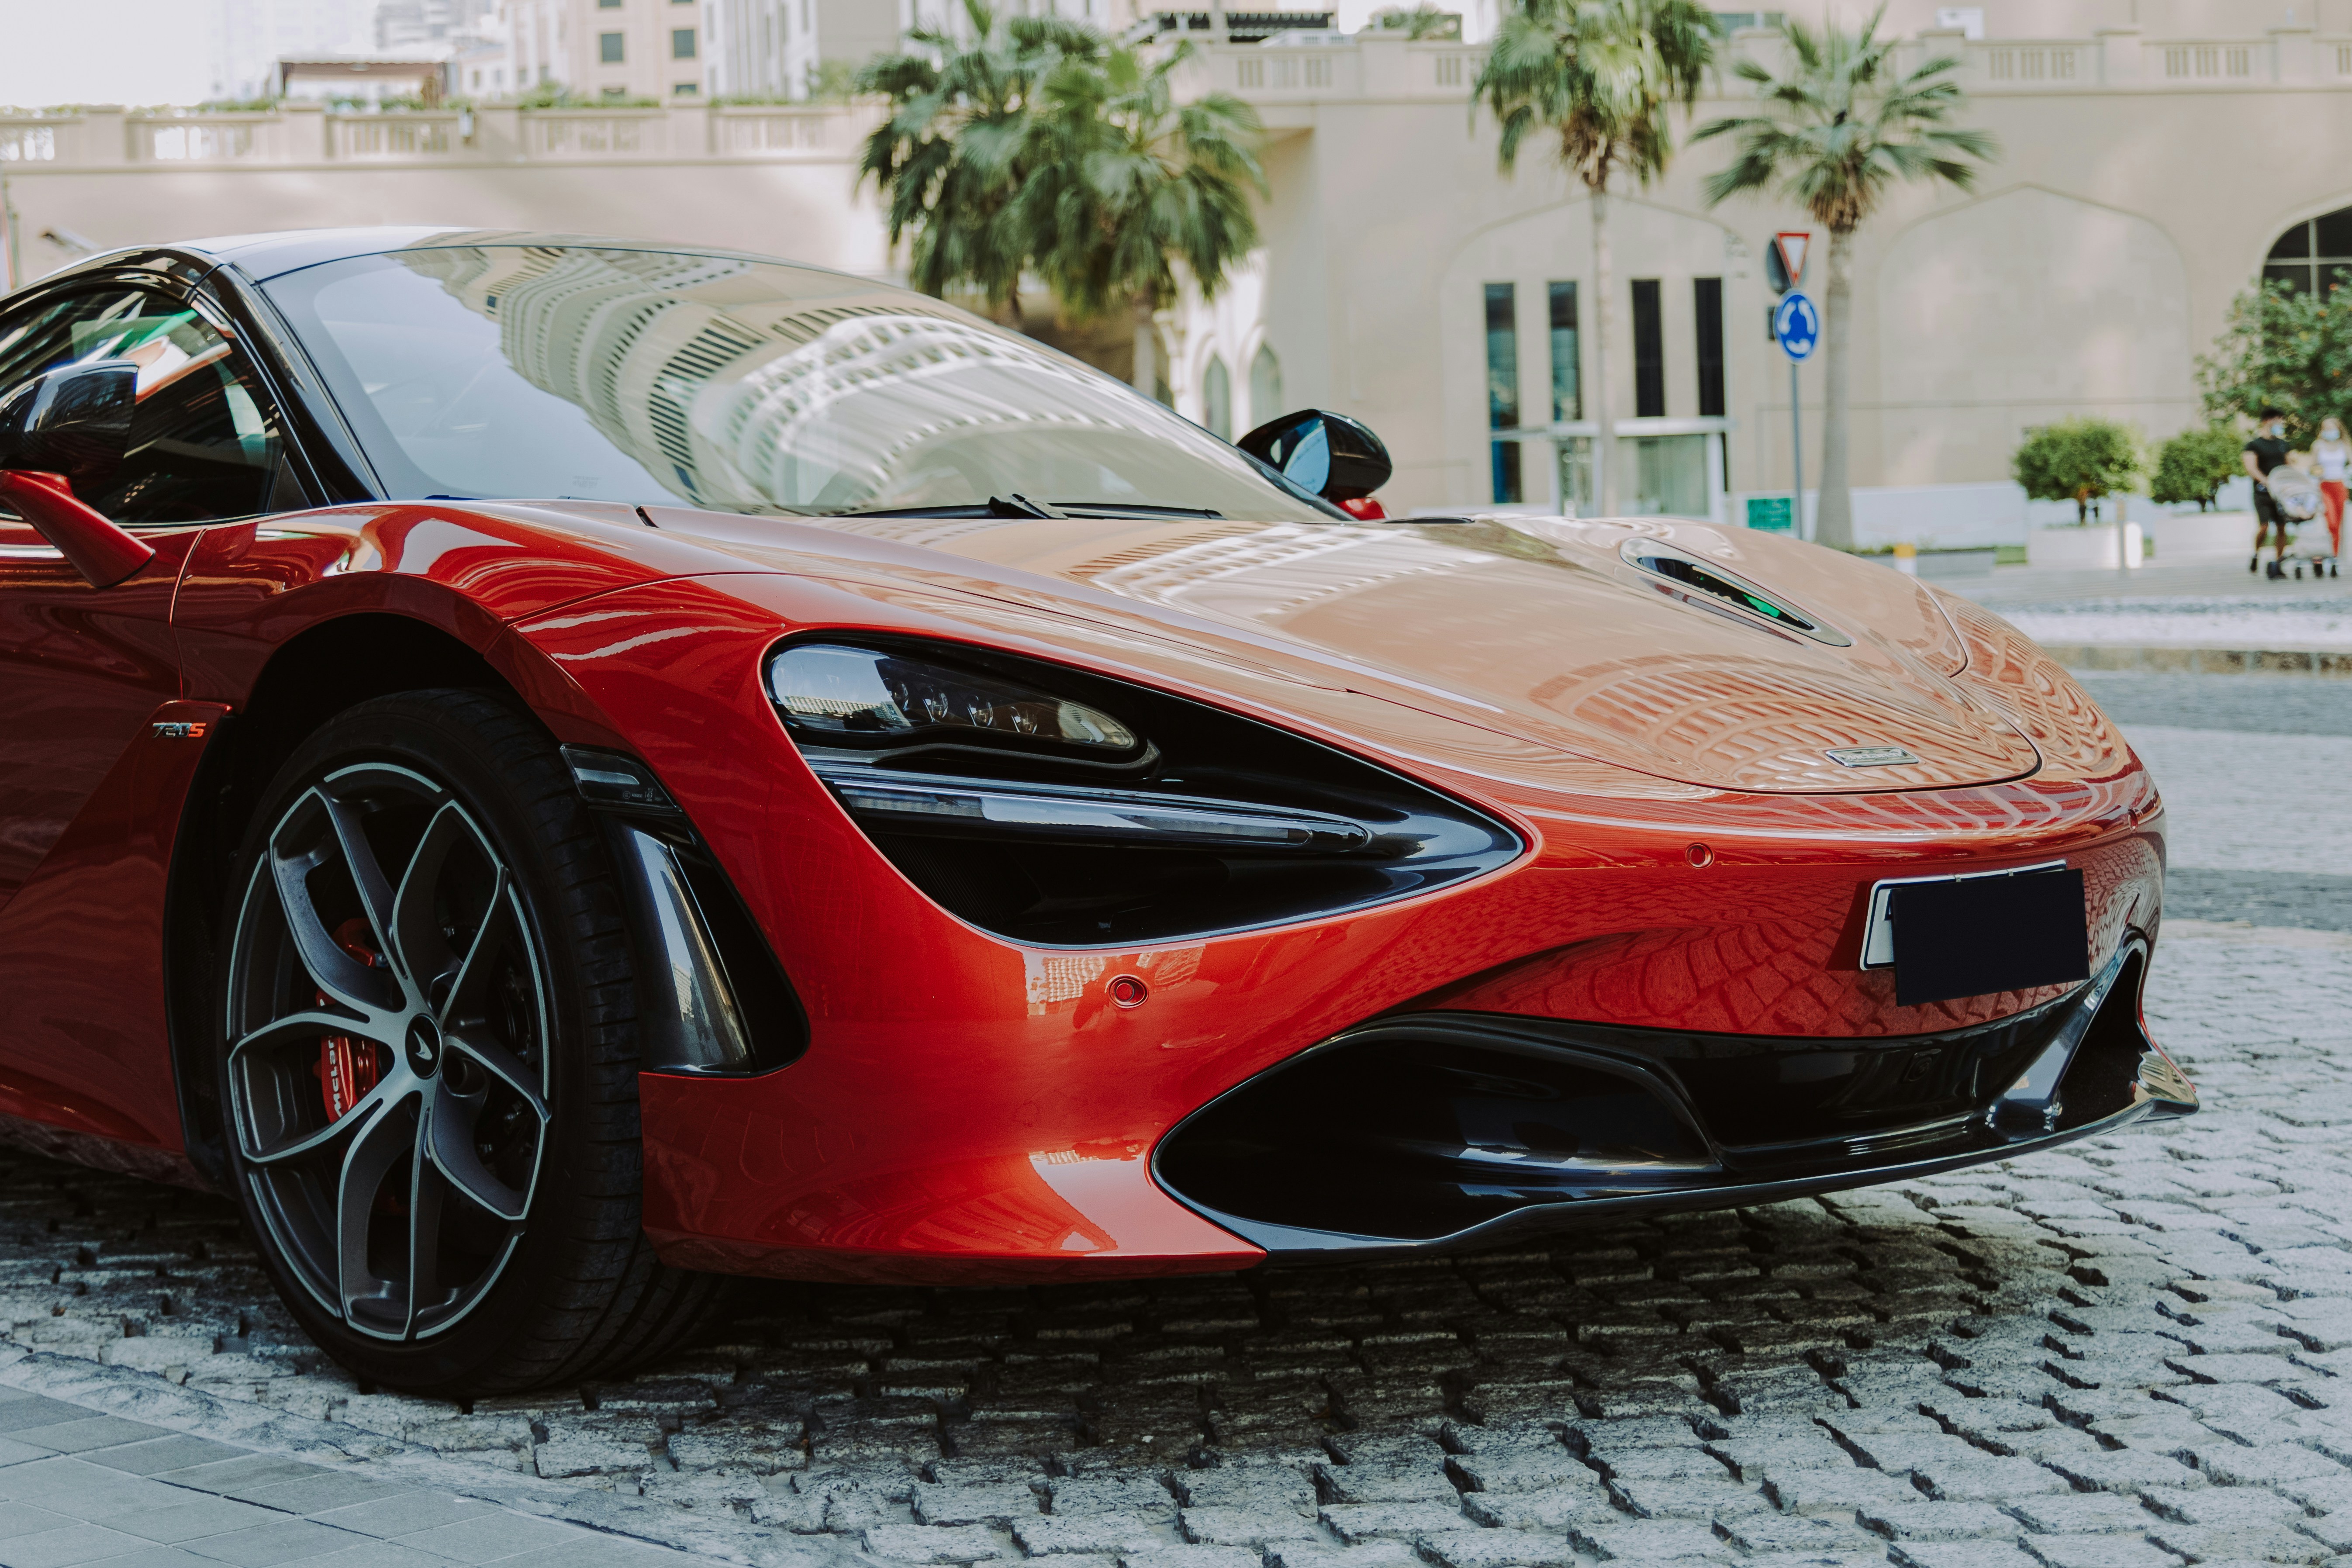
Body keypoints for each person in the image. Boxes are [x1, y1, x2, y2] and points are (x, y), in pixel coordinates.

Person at [2244, 408, 2296, 573]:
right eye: (2277, 420)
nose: (2280, 424)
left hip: (2280, 493)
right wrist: (2267, 482)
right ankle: (2256, 553)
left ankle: (2278, 562)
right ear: (2267, 421)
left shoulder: (2283, 445)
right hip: (2263, 493)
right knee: (2264, 526)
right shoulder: (2254, 445)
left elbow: (2289, 466)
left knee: (2282, 527)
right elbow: (2252, 468)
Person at [2313, 416, 2350, 561]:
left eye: (2332, 428)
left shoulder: (2344, 446)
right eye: (2326, 429)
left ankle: (2334, 556)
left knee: (2339, 524)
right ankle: (2324, 552)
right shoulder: (2318, 446)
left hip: (2340, 485)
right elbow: (2313, 467)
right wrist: (2318, 473)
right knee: (2331, 522)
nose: (2329, 431)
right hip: (2324, 486)